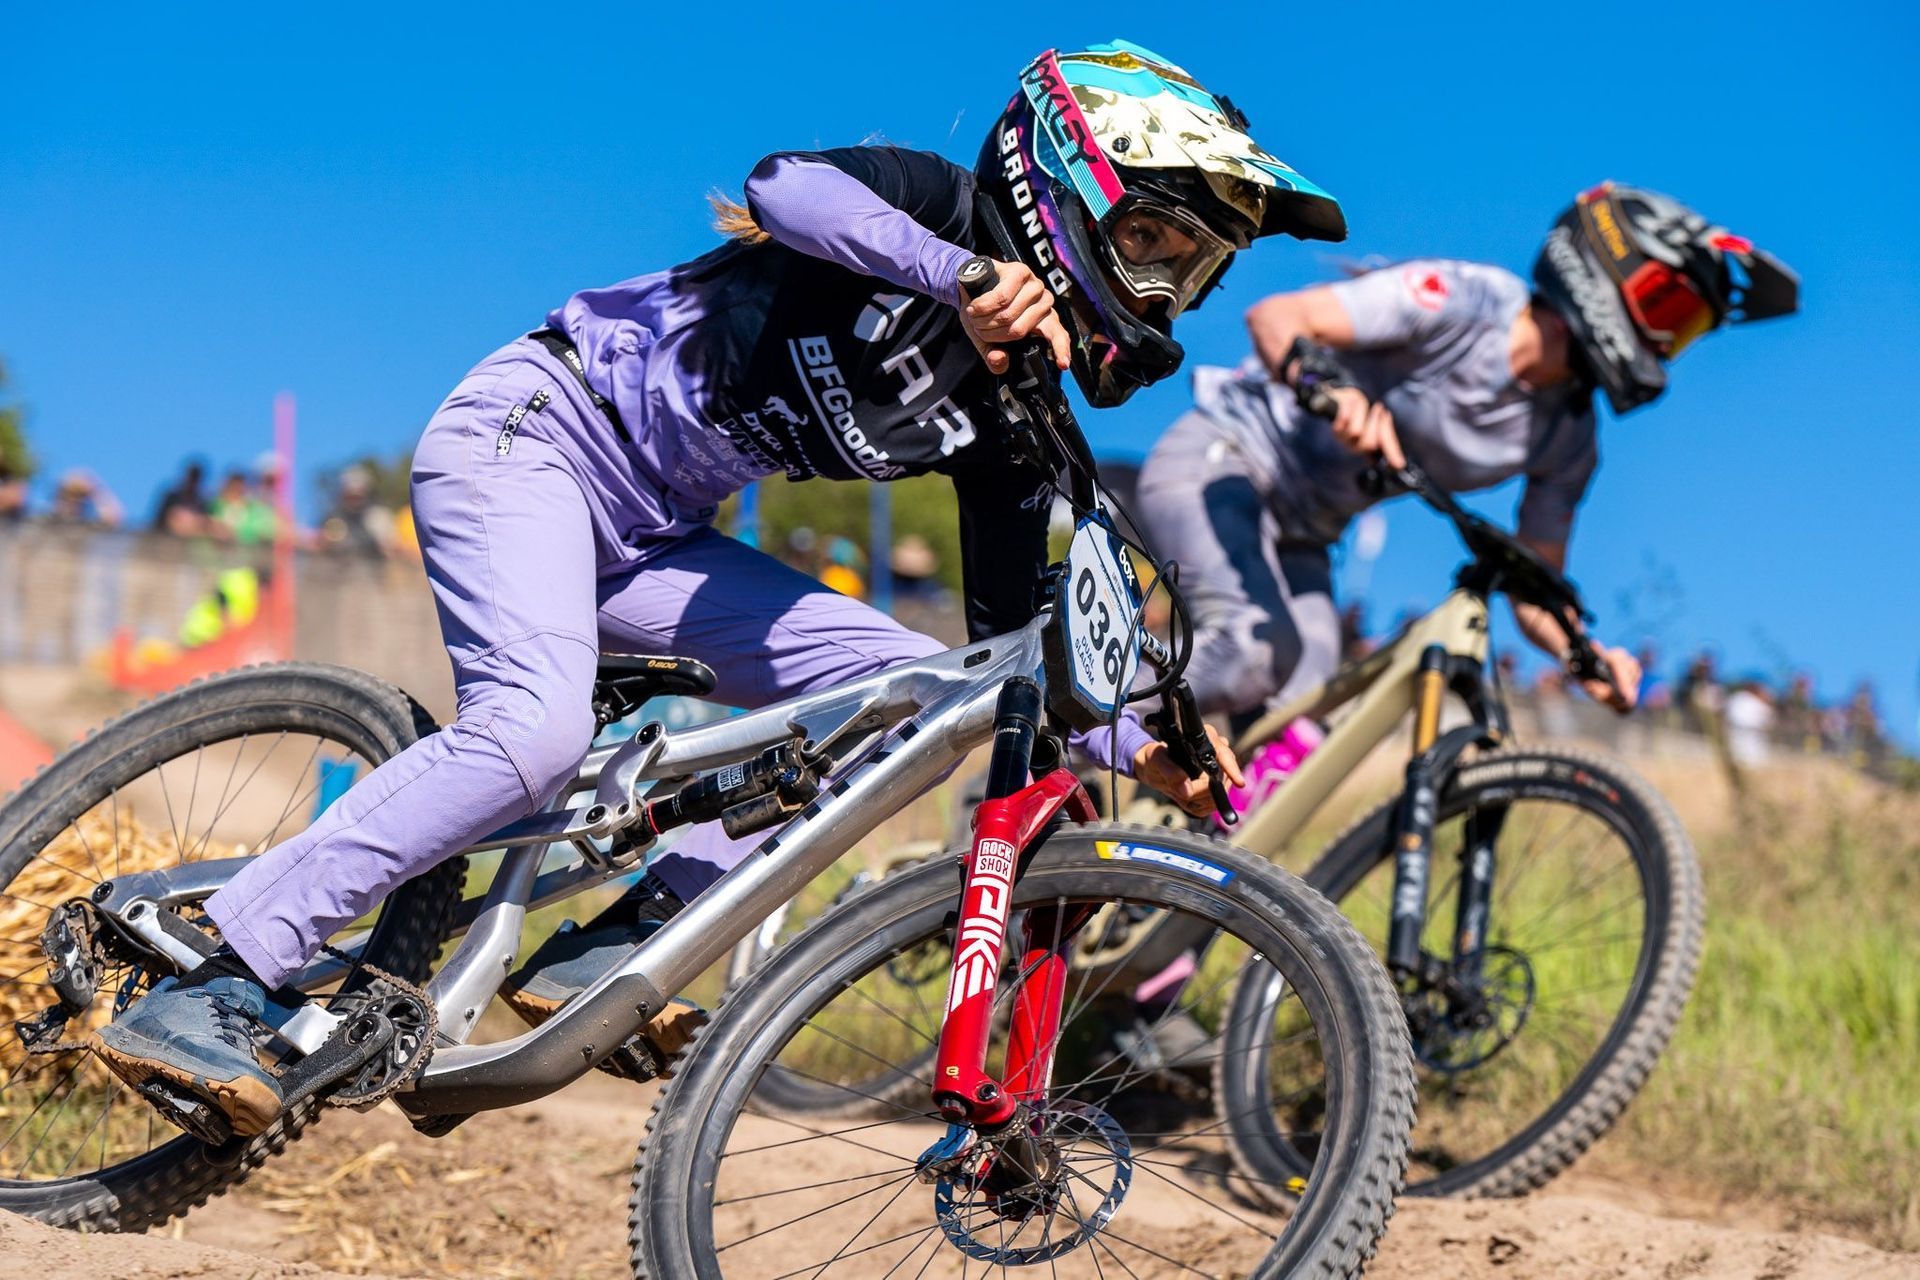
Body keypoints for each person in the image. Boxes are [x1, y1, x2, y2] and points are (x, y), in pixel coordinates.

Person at [88, 40, 1343, 1136]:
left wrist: (1139, 743)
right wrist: (954, 276)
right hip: (535, 433)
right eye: (1155, 241)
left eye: (1193, 269)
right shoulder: (941, 209)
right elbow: (782, 185)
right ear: (1066, 181)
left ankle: (631, 934)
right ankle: (222, 963)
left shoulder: (1007, 421)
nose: (1164, 289)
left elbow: (1005, 656)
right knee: (533, 728)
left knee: (915, 694)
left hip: (648, 539)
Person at [1136, 183, 1798, 751]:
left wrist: (1585, 657)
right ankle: (1091, 716)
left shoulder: (1568, 439)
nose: (1664, 344)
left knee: (1303, 715)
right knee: (1251, 653)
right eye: (1666, 310)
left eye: (1683, 333)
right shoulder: (1469, 300)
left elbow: (1535, 583)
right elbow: (1277, 317)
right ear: (1608, 263)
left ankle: (1180, 854)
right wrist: (1334, 392)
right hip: (1225, 459)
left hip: (1304, 535)